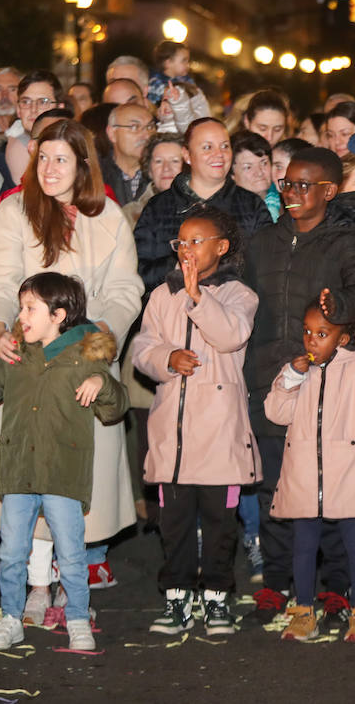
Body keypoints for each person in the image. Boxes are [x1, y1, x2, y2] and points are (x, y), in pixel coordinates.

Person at [0, 119, 142, 611]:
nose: (49, 169)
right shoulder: (14, 214)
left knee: (70, 478)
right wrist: (1, 326)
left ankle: (71, 588)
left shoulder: (109, 216)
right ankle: (37, 585)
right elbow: (0, 282)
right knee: (29, 472)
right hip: (28, 362)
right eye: (42, 157)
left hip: (83, 359)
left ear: (82, 165)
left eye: (61, 159)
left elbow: (124, 289)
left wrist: (102, 335)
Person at [242, 146, 355, 623]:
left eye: (304, 186)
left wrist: (340, 303)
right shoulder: (263, 241)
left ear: (328, 191)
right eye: (287, 185)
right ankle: (277, 585)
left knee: (332, 491)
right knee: (276, 490)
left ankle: (338, 589)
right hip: (271, 382)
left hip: (326, 388)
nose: (293, 193)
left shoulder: (345, 242)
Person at [0, 272, 128, 652]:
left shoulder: (85, 355)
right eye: (21, 307)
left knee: (71, 553)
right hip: (19, 471)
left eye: (30, 308)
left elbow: (116, 408)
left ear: (59, 315)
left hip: (63, 472)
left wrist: (103, 384)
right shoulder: (15, 352)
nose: (21, 316)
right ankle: (10, 618)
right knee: (12, 552)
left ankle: (78, 618)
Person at [136, 206, 259, 637]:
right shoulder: (160, 295)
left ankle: (218, 597)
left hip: (220, 434)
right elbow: (142, 348)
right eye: (181, 242)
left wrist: (197, 298)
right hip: (175, 435)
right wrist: (166, 358)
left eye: (197, 240)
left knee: (222, 524)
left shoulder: (238, 294)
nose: (186, 249)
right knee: (174, 523)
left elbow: (229, 336)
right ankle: (177, 597)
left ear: (221, 247)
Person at [266, 303, 355, 644]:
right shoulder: (299, 371)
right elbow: (276, 412)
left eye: (321, 334)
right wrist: (290, 380)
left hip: (350, 476)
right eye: (307, 332)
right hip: (305, 478)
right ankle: (304, 612)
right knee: (304, 547)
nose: (311, 341)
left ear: (342, 339)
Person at [135, 117, 272, 294]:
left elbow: (268, 269)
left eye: (225, 146)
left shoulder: (251, 206)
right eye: (207, 147)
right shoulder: (159, 207)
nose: (219, 154)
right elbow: (139, 273)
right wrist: (180, 263)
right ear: (186, 155)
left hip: (234, 311)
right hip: (171, 311)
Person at [123, 133, 184, 228]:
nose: (166, 168)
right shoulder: (129, 214)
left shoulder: (203, 210)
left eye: (175, 161)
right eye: (158, 161)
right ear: (149, 170)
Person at [102, 103, 156, 206]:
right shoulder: (95, 174)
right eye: (135, 127)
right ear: (112, 133)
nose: (147, 135)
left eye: (150, 127)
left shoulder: (162, 172)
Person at [231, 131, 280, 221]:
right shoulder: (230, 213)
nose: (259, 172)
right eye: (248, 167)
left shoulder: (286, 197)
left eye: (264, 163)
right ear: (232, 174)